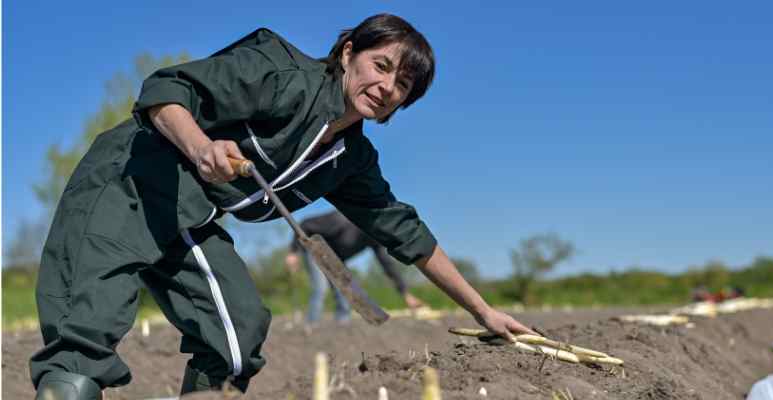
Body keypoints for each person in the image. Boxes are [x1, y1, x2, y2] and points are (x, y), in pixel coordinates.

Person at [30, 13, 534, 400]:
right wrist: (201, 146)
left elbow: (407, 235)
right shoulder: (280, 71)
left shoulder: (350, 159)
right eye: (381, 66)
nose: (385, 87)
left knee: (237, 335)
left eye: (402, 85)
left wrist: (485, 311)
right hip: (129, 180)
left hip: (188, 216)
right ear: (348, 53)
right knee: (82, 343)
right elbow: (167, 89)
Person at [284, 210, 426, 323]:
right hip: (316, 250)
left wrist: (405, 293)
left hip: (336, 258)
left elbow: (387, 266)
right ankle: (312, 326)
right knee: (321, 288)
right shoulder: (341, 220)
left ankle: (343, 327)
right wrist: (293, 251)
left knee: (346, 291)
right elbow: (305, 224)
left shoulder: (373, 237)